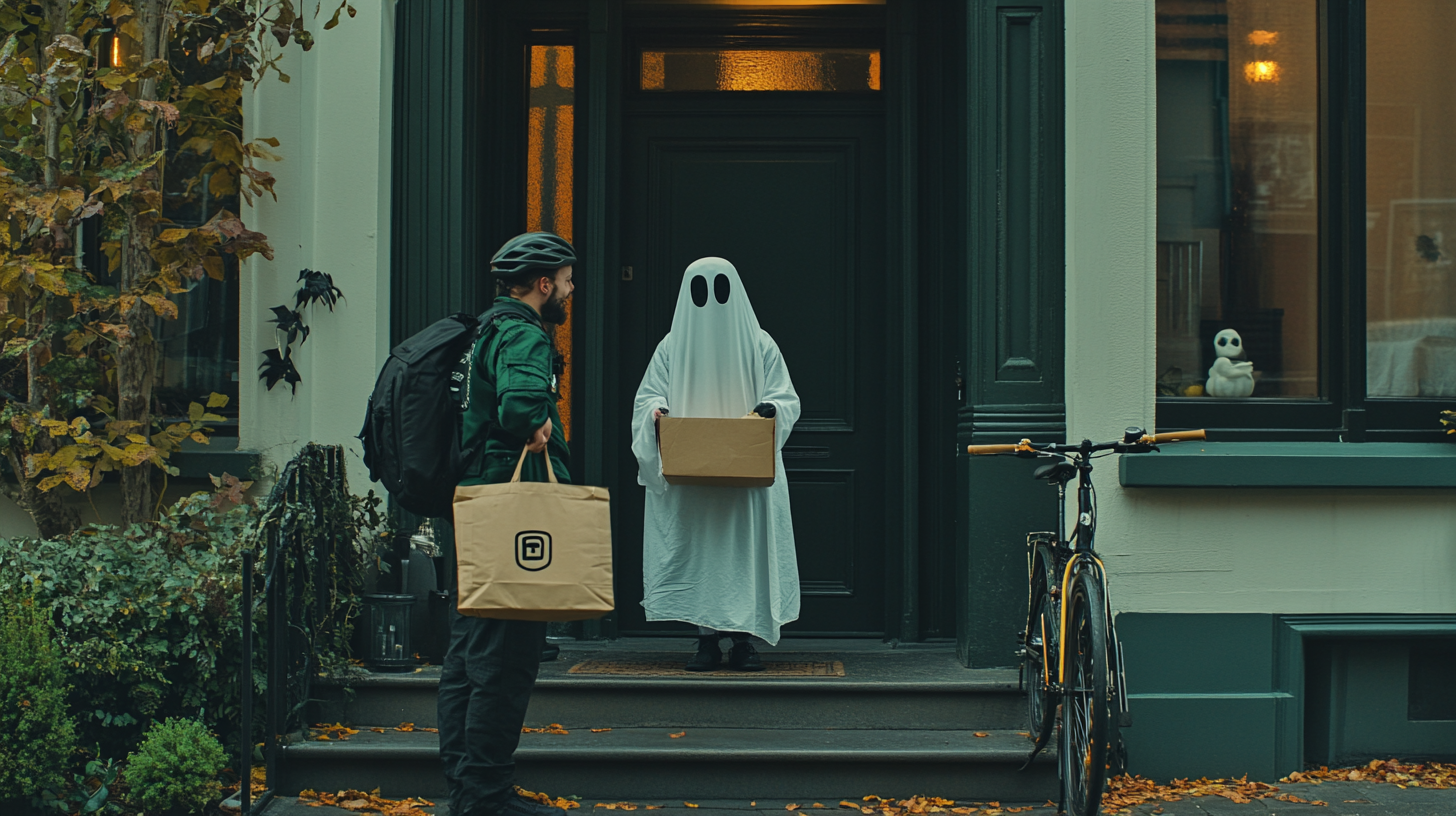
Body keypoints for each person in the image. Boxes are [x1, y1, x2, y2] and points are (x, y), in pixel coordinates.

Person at [438, 232, 575, 816]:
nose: (570, 290)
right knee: (506, 654)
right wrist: (538, 424)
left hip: (477, 501)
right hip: (511, 509)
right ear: (544, 283)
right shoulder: (522, 332)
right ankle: (486, 796)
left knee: (469, 651)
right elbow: (521, 408)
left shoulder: (484, 331)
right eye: (567, 279)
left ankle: (470, 788)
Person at [629, 257, 802, 671]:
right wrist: (657, 413)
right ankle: (705, 640)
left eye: (720, 287)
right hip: (692, 475)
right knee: (701, 556)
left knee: (740, 556)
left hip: (746, 476)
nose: (710, 300)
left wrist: (769, 410)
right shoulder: (672, 346)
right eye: (700, 289)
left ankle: (743, 641)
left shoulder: (760, 344)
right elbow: (648, 396)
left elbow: (785, 397)